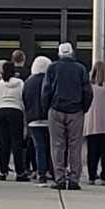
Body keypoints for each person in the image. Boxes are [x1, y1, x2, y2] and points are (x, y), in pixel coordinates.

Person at [41, 43, 93, 190]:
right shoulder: (80, 68)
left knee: (57, 146)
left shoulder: (52, 68)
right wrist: (84, 108)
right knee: (75, 146)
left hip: (56, 109)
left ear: (59, 54)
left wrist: (47, 108)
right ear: (72, 53)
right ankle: (74, 179)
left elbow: (46, 90)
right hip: (76, 111)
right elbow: (87, 91)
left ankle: (59, 178)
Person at [0, 60, 28, 181]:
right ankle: (20, 172)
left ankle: (2, 171)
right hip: (16, 111)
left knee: (3, 142)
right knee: (17, 142)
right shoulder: (21, 83)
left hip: (2, 112)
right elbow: (24, 99)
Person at [84, 61, 105, 185]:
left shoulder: (88, 85)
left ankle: (92, 176)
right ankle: (104, 175)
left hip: (91, 120)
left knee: (91, 150)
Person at [23, 56, 53, 185]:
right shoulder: (50, 81)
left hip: (33, 119)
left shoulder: (28, 82)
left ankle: (41, 172)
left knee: (39, 147)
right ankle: (52, 170)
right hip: (49, 118)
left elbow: (24, 99)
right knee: (52, 147)